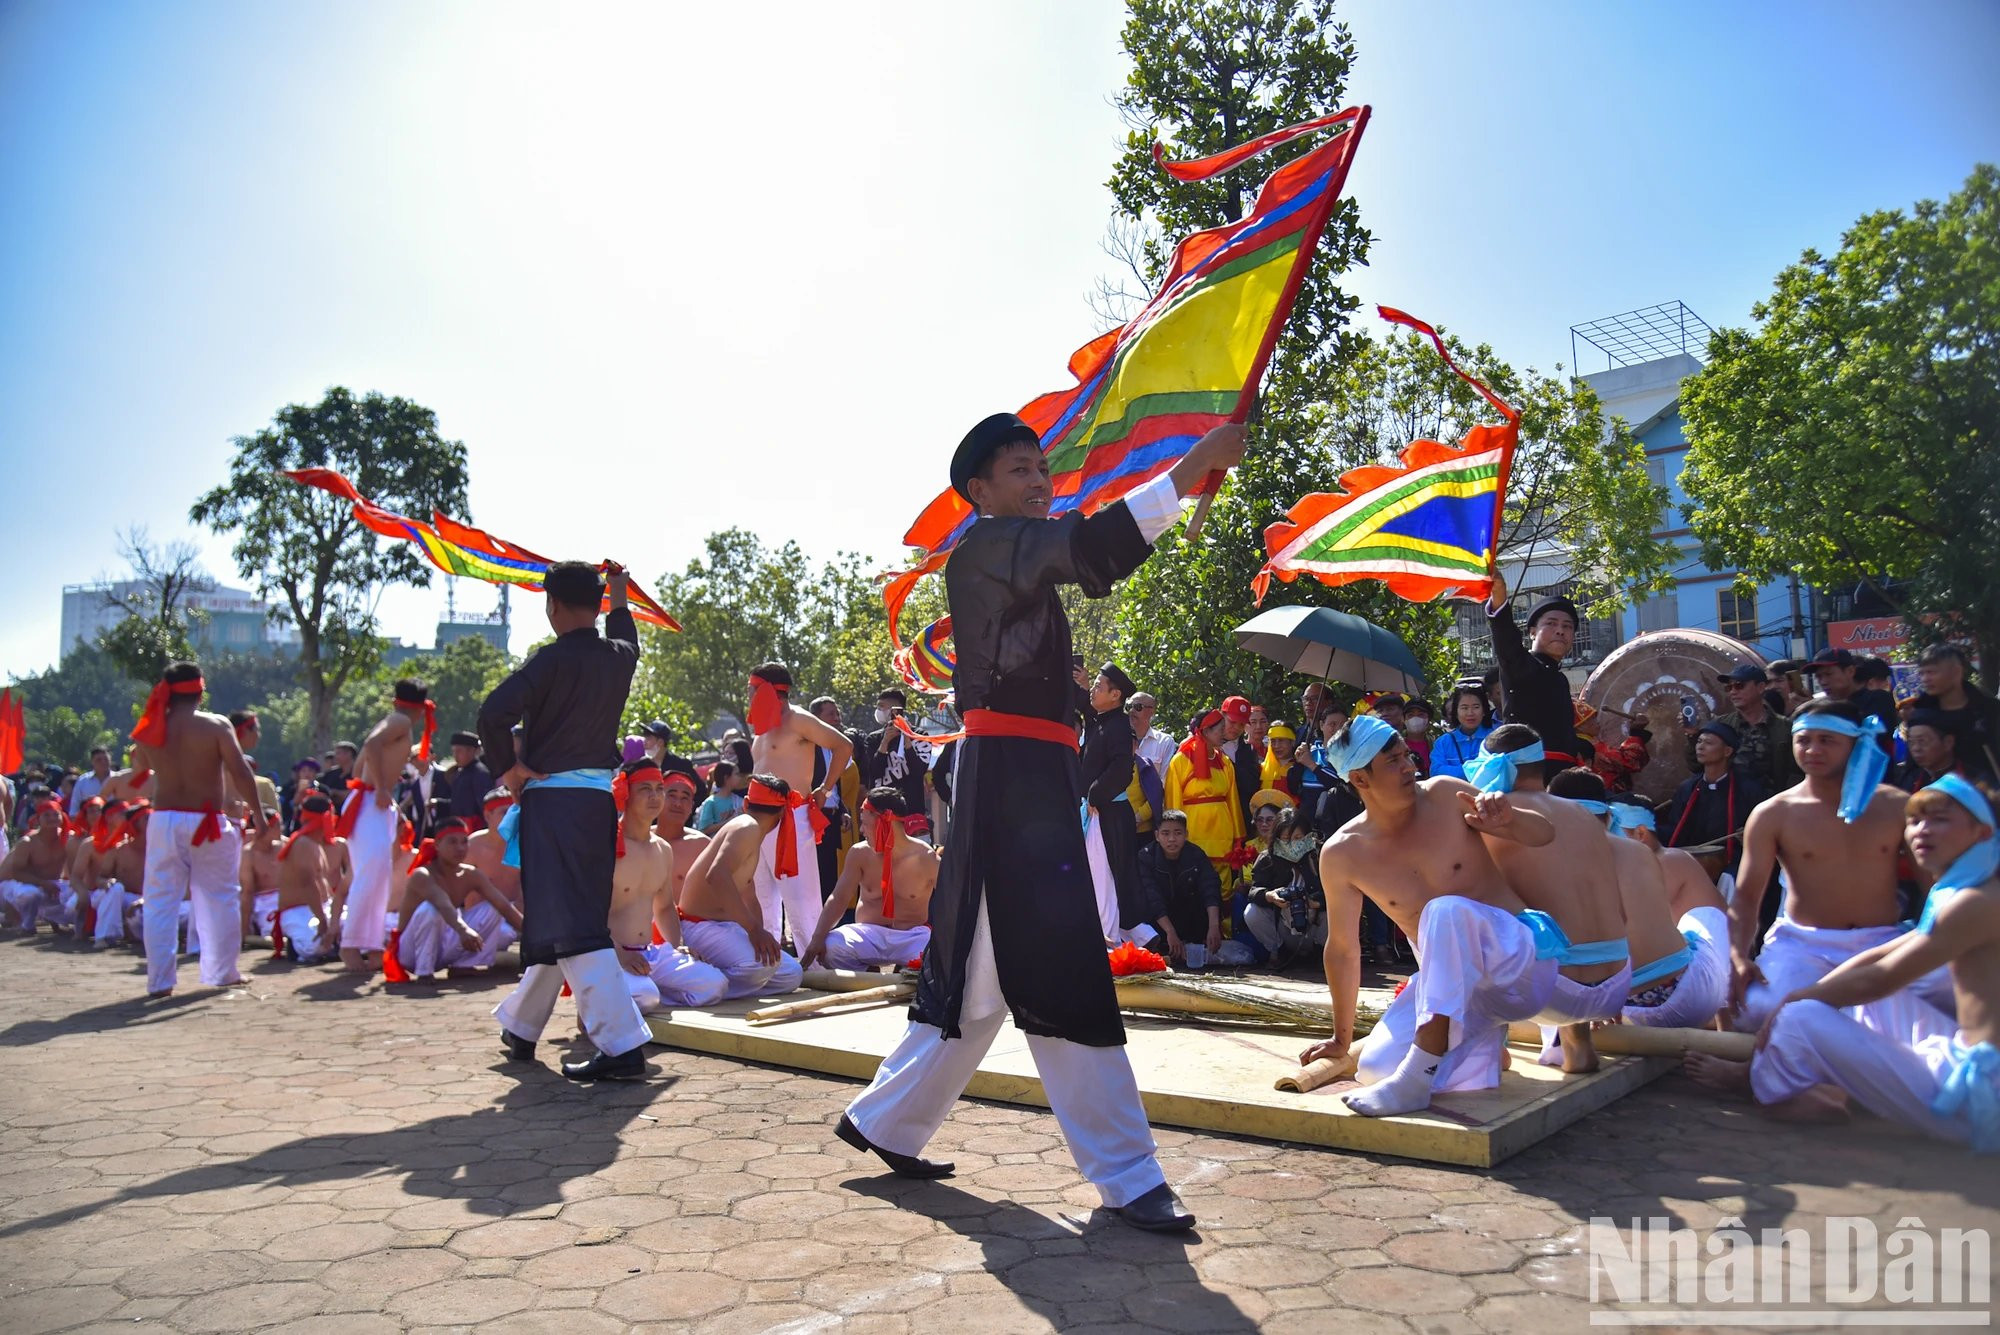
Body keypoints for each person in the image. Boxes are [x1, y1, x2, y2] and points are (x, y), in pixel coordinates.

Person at [838, 412, 1249, 1233]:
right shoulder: (990, 544)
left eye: (1041, 469)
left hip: (1022, 781)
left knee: (980, 976)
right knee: (1062, 965)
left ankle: (884, 1119)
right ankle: (1129, 1173)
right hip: (1015, 782)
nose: (1038, 480)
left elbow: (1084, 556)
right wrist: (1196, 462)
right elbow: (1092, 551)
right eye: (1020, 469)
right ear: (979, 490)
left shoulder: (1004, 556)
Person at [1688, 775, 1999, 1148]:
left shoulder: (1975, 903)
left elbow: (1878, 980)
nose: (1922, 831)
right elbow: (1881, 957)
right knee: (1831, 1000)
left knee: (1801, 1019)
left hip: (1981, 1095)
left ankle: (1769, 1088)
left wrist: (1793, 1001)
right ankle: (1837, 1085)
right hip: (1970, 1058)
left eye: (1940, 820)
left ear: (1982, 832)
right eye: (1915, 821)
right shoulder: (1969, 888)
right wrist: (1808, 992)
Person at [1297, 716, 1558, 1116]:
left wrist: (1510, 819)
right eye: (1393, 761)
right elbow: (1344, 949)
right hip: (1453, 990)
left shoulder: (1445, 794)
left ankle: (1421, 1074)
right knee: (1374, 1068)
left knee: (1444, 912)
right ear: (1360, 780)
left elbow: (1544, 835)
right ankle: (1480, 1050)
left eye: (1406, 755)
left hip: (1519, 963)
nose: (1408, 766)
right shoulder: (1342, 852)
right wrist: (1340, 1038)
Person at [481, 561, 656, 1082]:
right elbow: (626, 634)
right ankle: (520, 1024)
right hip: (596, 804)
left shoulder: (550, 661)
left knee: (575, 924)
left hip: (553, 808)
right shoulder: (619, 658)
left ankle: (621, 1047)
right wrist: (620, 593)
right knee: (565, 915)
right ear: (598, 604)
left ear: (552, 605)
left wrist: (508, 768)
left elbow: (493, 713)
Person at [1714, 699, 1917, 1038]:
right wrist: (1738, 955)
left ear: (1855, 743)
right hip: (1802, 944)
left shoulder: (1897, 806)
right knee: (1758, 1010)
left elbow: (1936, 886)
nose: (1812, 749)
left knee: (1905, 1026)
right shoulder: (1773, 813)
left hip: (1881, 942)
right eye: (1804, 740)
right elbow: (1747, 897)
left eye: (1827, 740)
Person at [1468, 726, 1633, 1073]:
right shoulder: (1586, 816)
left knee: (1451, 913)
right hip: (1618, 980)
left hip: (1556, 989)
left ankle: (1490, 1049)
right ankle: (1578, 1048)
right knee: (1560, 916)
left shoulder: (1497, 817)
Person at [1551, 772, 1729, 1033]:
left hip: (1615, 1005)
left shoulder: (1547, 863)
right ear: (1609, 817)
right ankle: (1728, 1008)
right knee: (1704, 918)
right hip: (1687, 995)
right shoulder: (1641, 853)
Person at [129, 663, 266, 997]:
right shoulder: (216, 725)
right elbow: (241, 773)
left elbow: (140, 762)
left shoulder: (151, 728)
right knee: (219, 899)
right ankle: (223, 973)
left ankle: (159, 981)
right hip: (207, 821)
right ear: (201, 691)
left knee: (161, 902)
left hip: (163, 819)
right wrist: (260, 817)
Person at [601, 760, 728, 1011]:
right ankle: (599, 1001)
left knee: (714, 985)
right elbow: (586, 912)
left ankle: (636, 992)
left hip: (649, 952)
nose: (654, 796)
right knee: (645, 996)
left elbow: (665, 908)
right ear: (625, 794)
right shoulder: (605, 843)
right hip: (606, 952)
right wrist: (619, 954)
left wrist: (677, 946)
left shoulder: (662, 849)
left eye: (659, 789)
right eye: (645, 789)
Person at [745, 663, 853, 951]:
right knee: (761, 895)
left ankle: (813, 961)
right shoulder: (762, 727)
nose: (748, 695)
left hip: (790, 815)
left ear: (767, 690)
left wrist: (826, 788)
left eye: (752, 689)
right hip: (756, 819)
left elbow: (843, 745)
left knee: (800, 896)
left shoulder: (800, 720)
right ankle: (769, 963)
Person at [673, 774, 806, 999]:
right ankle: (697, 983)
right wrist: (754, 930)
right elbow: (716, 876)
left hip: (723, 928)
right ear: (783, 812)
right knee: (761, 968)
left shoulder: (748, 828)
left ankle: (715, 981)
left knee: (791, 974)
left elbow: (749, 896)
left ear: (746, 803)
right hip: (698, 926)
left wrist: (761, 937)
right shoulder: (746, 826)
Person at [335, 681, 433, 973]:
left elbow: (362, 761)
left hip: (373, 802)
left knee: (379, 879)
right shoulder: (400, 721)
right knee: (369, 876)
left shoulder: (396, 723)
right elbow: (371, 746)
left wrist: (384, 795)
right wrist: (379, 788)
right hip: (369, 800)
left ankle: (372, 946)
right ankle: (350, 945)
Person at [802, 786, 940, 971]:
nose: (861, 830)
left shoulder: (927, 858)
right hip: (868, 935)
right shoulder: (859, 853)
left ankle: (908, 970)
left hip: (910, 938)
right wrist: (817, 938)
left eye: (865, 823)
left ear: (885, 823)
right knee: (830, 947)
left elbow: (953, 903)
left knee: (936, 955)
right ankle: (867, 972)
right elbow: (839, 898)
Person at [1479, 567, 1584, 765]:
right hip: (1529, 775)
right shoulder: (1520, 664)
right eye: (1551, 624)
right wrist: (1499, 596)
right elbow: (1505, 637)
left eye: (1567, 626)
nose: (1560, 631)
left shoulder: (1559, 678)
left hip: (1562, 775)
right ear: (1533, 632)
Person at [395, 818, 522, 980]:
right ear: (438, 844)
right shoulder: (423, 875)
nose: (460, 848)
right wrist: (464, 930)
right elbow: (443, 903)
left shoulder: (471, 874)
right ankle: (424, 971)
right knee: (431, 909)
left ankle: (465, 965)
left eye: (464, 842)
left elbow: (504, 906)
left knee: (492, 908)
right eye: (452, 842)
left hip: (443, 946)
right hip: (410, 953)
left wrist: (537, 937)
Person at [1080, 663, 1144, 944]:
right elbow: (1081, 702)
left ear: (1115, 695)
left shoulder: (1118, 725)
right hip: (1098, 811)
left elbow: (1122, 769)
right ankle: (1106, 938)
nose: (1093, 689)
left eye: (1098, 686)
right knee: (1096, 877)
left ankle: (1110, 942)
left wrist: (1095, 794)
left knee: (1104, 878)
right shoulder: (1101, 720)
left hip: (1108, 811)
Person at [1660, 721, 1767, 879]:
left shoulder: (1748, 790)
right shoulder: (1688, 788)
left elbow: (1760, 837)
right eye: (1699, 741)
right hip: (1690, 861)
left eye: (1708, 743)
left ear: (1727, 751)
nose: (1700, 747)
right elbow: (1675, 828)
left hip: (1732, 866)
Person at [1165, 708, 1247, 901]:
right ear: (1206, 731)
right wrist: (1174, 834)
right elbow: (1173, 802)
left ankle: (1225, 930)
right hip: (1194, 832)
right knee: (1194, 885)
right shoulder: (1181, 760)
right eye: (1220, 729)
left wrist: (1237, 837)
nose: (1224, 733)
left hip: (1221, 831)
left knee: (1224, 887)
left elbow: (1232, 801)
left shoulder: (1225, 762)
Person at [1693, 665, 1800, 792]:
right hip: (1731, 804)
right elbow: (1697, 766)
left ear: (1760, 687)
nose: (1733, 692)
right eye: (1729, 687)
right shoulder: (1721, 725)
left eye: (1739, 685)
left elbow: (1796, 773)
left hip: (1773, 804)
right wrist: (1692, 735)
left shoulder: (1786, 727)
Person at [1243, 806, 1325, 968]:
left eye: (1298, 837)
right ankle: (1278, 952)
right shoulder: (1267, 858)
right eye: (1286, 839)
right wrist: (1270, 896)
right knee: (1252, 912)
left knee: (1340, 910)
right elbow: (1254, 890)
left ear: (1308, 836)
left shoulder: (1320, 856)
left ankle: (1322, 954)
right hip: (1283, 925)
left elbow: (1340, 891)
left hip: (1315, 926)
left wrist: (1319, 902)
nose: (1292, 844)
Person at [1912, 643, 2000, 780]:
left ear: (1956, 672)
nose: (1925, 679)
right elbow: (1912, 768)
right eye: (1921, 673)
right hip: (1935, 792)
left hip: (1987, 792)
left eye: (1931, 672)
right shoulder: (1921, 714)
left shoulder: (1989, 710)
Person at [273, 795, 343, 962]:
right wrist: (322, 919)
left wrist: (332, 916)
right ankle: (296, 946)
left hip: (323, 907)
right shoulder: (302, 844)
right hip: (299, 911)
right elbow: (308, 884)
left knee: (356, 933)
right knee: (315, 946)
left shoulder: (315, 843)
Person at [0, 799, 70, 933]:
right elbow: (16, 874)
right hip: (14, 886)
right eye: (47, 815)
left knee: (73, 894)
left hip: (49, 884)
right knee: (30, 894)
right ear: (38, 820)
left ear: (62, 817)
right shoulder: (27, 842)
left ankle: (55, 919)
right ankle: (26, 923)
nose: (52, 818)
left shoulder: (68, 838)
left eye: (56, 814)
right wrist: (42, 883)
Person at [1428, 685, 1494, 783]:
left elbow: (1495, 769)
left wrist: (1454, 771)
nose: (1470, 713)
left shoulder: (1494, 738)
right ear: (1456, 712)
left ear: (1484, 710)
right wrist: (1474, 769)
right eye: (1464, 708)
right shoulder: (1443, 742)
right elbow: (1436, 772)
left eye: (1476, 707)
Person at [240, 809, 285, 943]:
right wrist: (244, 928)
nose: (281, 829)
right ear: (265, 828)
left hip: (287, 900)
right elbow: (247, 892)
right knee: (276, 933)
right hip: (263, 904)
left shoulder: (283, 847)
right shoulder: (248, 854)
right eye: (277, 826)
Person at [1218, 696, 1262, 828]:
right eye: (1232, 722)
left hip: (1242, 821)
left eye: (1241, 724)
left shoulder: (1250, 751)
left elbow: (1252, 786)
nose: (1236, 728)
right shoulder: (1203, 747)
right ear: (1221, 717)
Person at [443, 732, 493, 826]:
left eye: (459, 751)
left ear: (471, 751)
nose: (455, 755)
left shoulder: (480, 773)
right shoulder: (459, 773)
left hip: (475, 827)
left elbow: (485, 806)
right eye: (453, 751)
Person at [693, 760, 746, 834]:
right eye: (736, 774)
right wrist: (730, 821)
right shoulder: (711, 802)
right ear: (726, 777)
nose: (740, 778)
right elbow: (703, 830)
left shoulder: (738, 800)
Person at [69, 747, 112, 815]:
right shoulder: (83, 781)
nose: (103, 762)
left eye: (106, 759)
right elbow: (74, 806)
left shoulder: (118, 779)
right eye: (99, 760)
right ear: (92, 762)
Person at [1260, 723, 1297, 798]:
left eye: (1281, 740)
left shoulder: (1300, 769)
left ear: (1292, 742)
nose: (1276, 746)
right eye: (1273, 741)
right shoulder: (1262, 769)